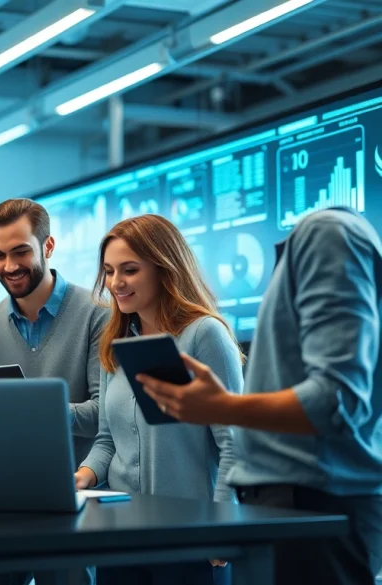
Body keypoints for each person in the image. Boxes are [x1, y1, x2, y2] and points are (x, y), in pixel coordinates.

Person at [140, 207, 382, 585]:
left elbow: (335, 400)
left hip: (311, 504)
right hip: (285, 504)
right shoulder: (313, 246)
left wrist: (222, 407)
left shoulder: (328, 235)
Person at [75, 214, 240, 585]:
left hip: (189, 535)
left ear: (164, 269)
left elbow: (234, 441)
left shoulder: (204, 335)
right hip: (121, 533)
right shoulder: (116, 343)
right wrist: (84, 476)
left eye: (129, 270)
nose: (116, 283)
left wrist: (224, 523)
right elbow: (106, 440)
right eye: (109, 271)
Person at [0, 198, 107, 585]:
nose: (9, 266)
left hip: (76, 495)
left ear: (47, 246)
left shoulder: (99, 313)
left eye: (20, 251)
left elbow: (104, 415)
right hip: (7, 497)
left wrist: (35, 410)